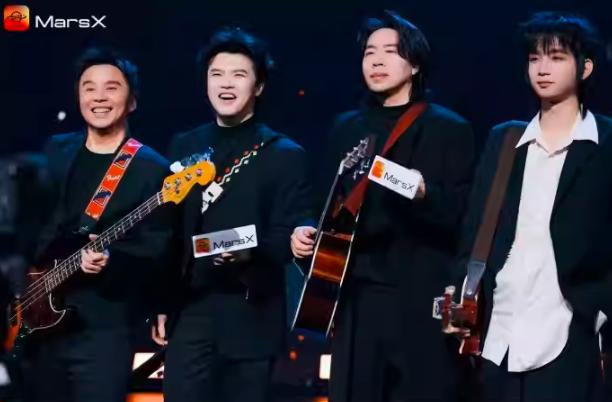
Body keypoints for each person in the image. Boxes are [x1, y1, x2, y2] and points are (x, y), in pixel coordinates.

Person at [291, 10, 476, 402]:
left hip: (419, 295)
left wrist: (425, 193)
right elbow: (321, 201)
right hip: (355, 296)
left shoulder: (449, 128)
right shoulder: (346, 127)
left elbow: (465, 217)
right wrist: (305, 232)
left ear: (415, 64)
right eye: (369, 52)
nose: (376, 60)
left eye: (390, 51)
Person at [452, 12, 611, 402]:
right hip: (499, 331)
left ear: (585, 67)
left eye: (556, 57)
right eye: (534, 58)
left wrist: (600, 311)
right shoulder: (504, 141)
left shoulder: (606, 143)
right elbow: (474, 228)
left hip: (569, 328)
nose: (542, 68)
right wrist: (462, 293)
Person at [152, 27, 311, 402]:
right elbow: (168, 231)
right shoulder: (184, 145)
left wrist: (249, 253)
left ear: (258, 86)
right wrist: (161, 301)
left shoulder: (284, 154)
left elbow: (287, 234)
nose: (226, 83)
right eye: (216, 74)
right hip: (191, 310)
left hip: (252, 314)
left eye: (239, 75)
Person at [26, 46, 173, 402]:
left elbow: (160, 250)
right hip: (40, 320)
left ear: (132, 101)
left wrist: (112, 259)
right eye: (89, 88)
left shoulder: (151, 167)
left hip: (105, 327)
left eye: (111, 87)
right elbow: (35, 224)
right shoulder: (56, 150)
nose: (99, 97)